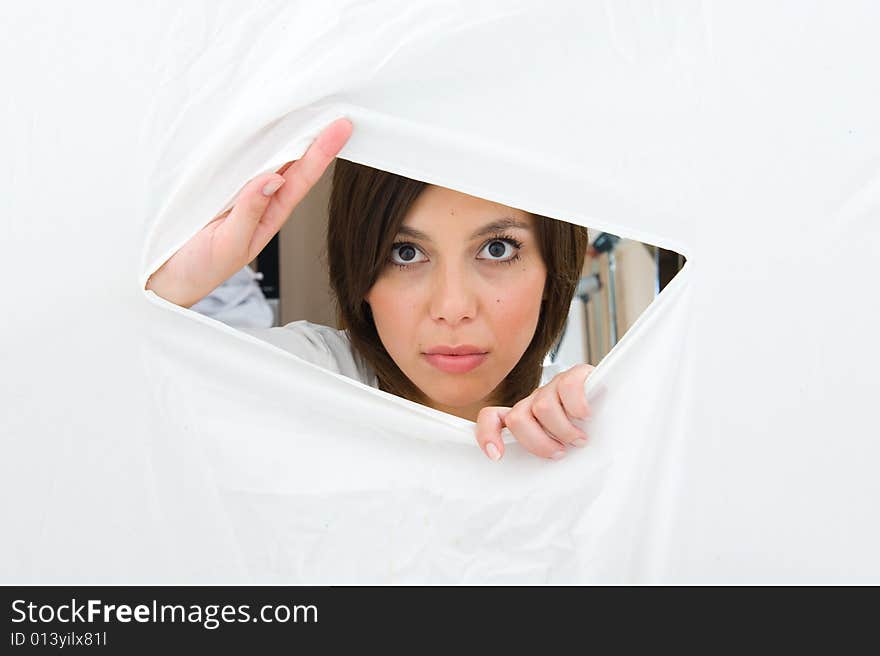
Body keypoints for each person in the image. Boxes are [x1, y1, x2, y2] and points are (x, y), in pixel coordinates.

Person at [146, 118, 594, 462]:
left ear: (554, 267)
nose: (453, 308)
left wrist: (614, 418)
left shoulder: (580, 416)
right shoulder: (310, 380)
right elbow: (106, 407)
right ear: (360, 270)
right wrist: (173, 286)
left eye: (497, 250)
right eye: (405, 253)